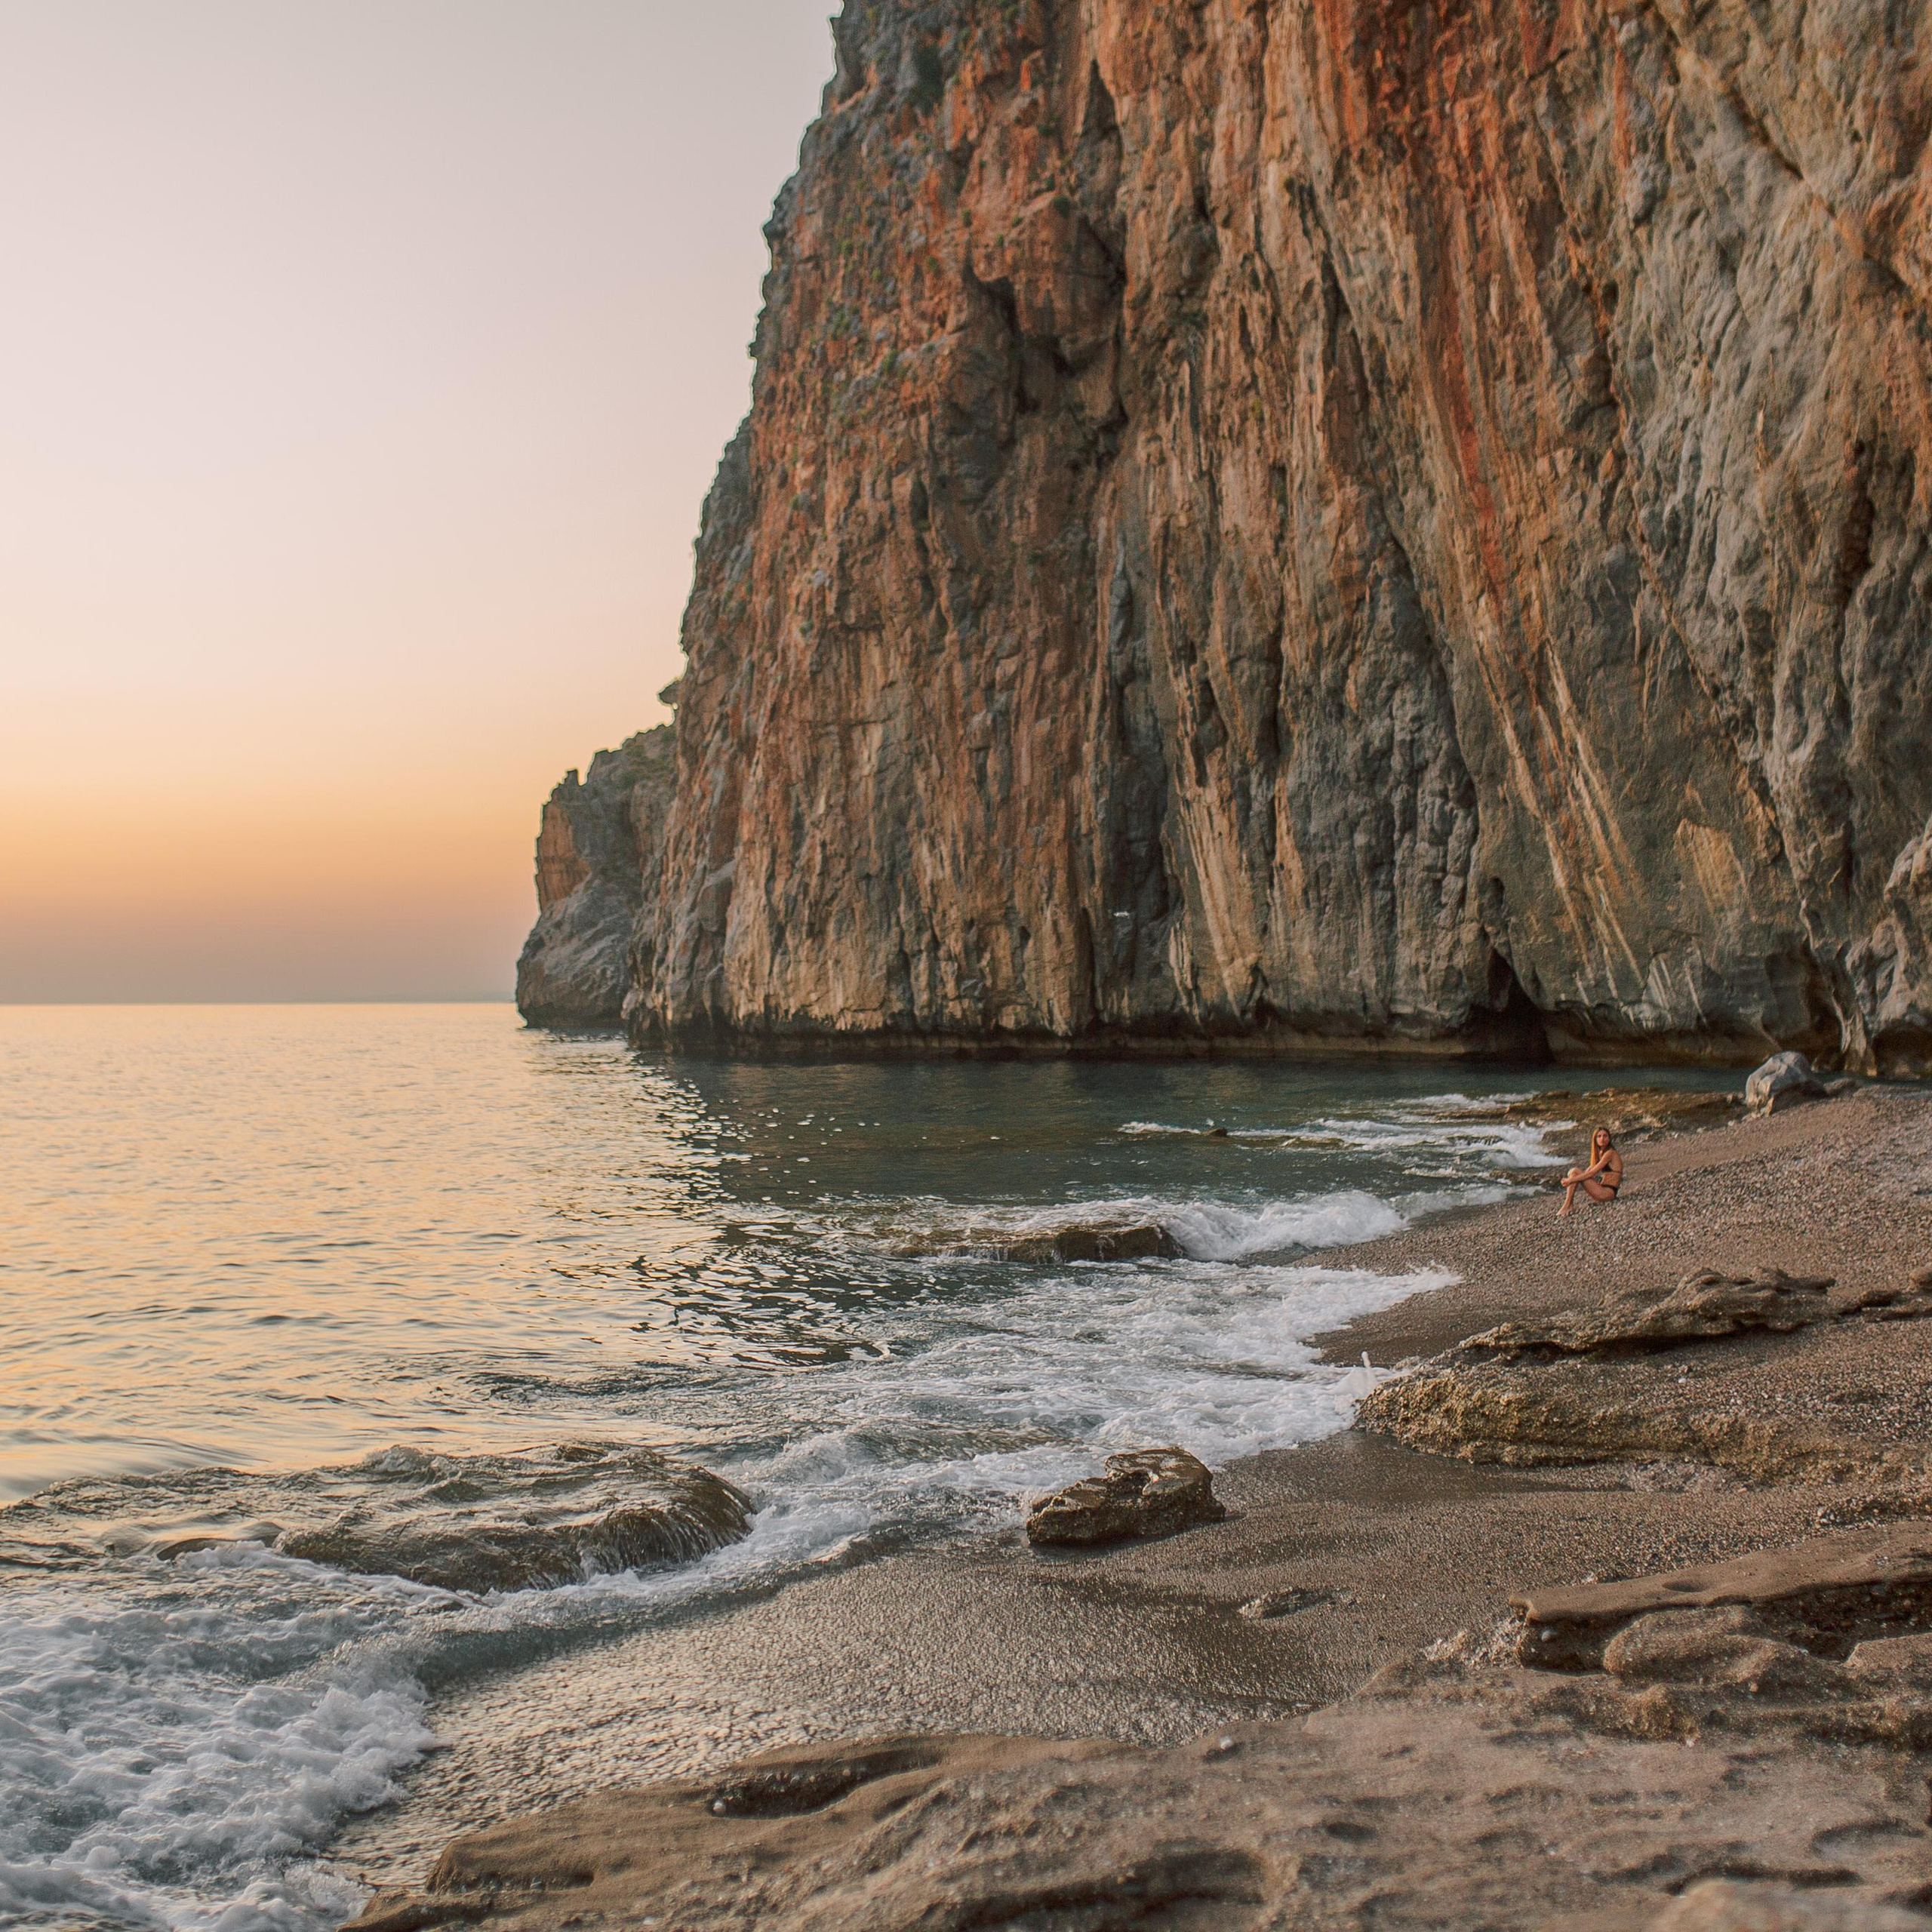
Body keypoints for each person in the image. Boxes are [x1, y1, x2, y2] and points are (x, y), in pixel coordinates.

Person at [1558, 1128, 1623, 1217]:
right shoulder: (1601, 1153)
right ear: (1595, 1140)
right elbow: (1587, 1172)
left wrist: (1570, 1181)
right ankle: (1569, 1205)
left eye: (1605, 1136)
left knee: (1575, 1171)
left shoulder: (1610, 1153)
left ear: (1609, 1138)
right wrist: (1573, 1178)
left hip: (1608, 1193)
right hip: (1602, 1190)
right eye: (1599, 1136)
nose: (1602, 1139)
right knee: (1573, 1172)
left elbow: (1591, 1174)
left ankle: (1568, 1205)